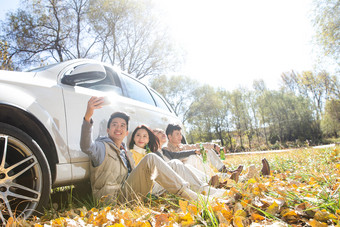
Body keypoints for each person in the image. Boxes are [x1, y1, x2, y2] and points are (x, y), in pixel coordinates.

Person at [80, 96, 209, 203]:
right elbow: (86, 146)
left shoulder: (125, 152)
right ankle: (190, 195)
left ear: (126, 132)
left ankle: (206, 191)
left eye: (122, 126)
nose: (118, 128)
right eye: (114, 125)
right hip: (114, 198)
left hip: (133, 191)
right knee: (151, 158)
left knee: (175, 164)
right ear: (108, 130)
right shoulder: (102, 146)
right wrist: (87, 117)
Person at [128, 125, 226, 197]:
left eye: (145, 136)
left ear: (149, 139)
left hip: (159, 183)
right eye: (138, 135)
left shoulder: (150, 152)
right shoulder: (130, 153)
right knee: (177, 162)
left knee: (176, 163)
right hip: (147, 188)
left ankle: (204, 189)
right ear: (133, 137)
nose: (141, 138)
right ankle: (201, 189)